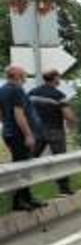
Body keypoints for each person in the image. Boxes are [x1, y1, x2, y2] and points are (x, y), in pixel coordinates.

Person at [1, 65, 44, 211]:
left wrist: (7, 125)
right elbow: (19, 114)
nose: (26, 74)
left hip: (9, 133)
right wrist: (28, 134)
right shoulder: (16, 89)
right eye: (23, 72)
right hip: (19, 135)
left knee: (21, 166)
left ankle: (26, 198)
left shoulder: (3, 89)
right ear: (16, 74)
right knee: (23, 168)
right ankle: (20, 201)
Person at [29, 70, 76, 195]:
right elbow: (68, 114)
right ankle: (64, 188)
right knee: (60, 160)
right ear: (55, 78)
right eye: (58, 77)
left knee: (29, 160)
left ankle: (23, 189)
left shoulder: (32, 93)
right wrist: (73, 123)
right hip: (55, 131)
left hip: (37, 131)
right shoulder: (58, 94)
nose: (59, 80)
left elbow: (26, 110)